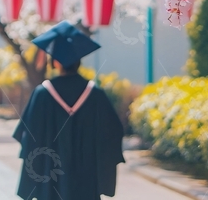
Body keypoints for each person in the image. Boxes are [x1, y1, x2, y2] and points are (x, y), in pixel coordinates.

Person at [13, 21, 125, 200]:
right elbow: (113, 133)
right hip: (86, 180)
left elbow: (28, 137)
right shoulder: (95, 94)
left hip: (49, 180)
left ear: (56, 61)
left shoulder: (42, 94)